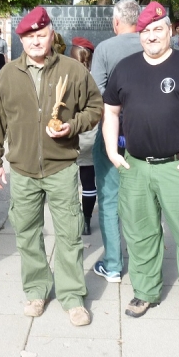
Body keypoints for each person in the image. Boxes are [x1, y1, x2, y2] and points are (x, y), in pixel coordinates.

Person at [102, 1, 179, 342]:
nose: (152, 36)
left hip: (178, 168)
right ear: (139, 34)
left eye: (158, 29)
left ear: (170, 31)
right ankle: (145, 292)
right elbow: (110, 111)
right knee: (140, 235)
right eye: (145, 31)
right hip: (136, 168)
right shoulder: (125, 68)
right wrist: (112, 151)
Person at [0, 6, 102, 327]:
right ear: (21, 39)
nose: (35, 41)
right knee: (26, 234)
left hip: (61, 167)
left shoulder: (73, 70)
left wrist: (73, 125)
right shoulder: (7, 75)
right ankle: (37, 289)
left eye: (41, 35)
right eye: (29, 36)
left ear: (51, 35)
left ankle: (72, 296)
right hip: (22, 170)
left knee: (69, 234)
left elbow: (95, 107)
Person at [89, 0, 143, 283]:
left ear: (116, 22)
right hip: (147, 135)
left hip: (114, 131)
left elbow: (97, 93)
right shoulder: (151, 45)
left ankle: (112, 265)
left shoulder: (105, 49)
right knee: (143, 200)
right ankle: (144, 264)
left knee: (109, 199)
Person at [69, 36, 97, 236]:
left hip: (71, 135)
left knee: (68, 183)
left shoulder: (67, 77)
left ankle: (73, 220)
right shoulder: (96, 78)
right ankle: (87, 221)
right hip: (91, 136)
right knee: (88, 182)